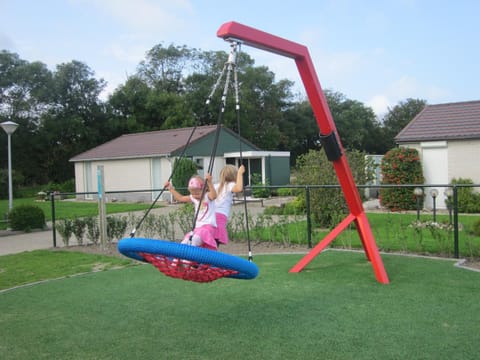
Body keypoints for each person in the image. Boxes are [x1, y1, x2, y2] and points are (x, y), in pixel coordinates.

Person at [164, 174, 218, 250]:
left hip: (208, 228)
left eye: (197, 193)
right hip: (198, 228)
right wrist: (170, 188)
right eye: (193, 193)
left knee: (194, 241)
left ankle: (188, 258)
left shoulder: (207, 197)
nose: (195, 196)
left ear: (205, 189)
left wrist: (209, 182)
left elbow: (214, 196)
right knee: (186, 240)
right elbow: (180, 198)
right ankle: (178, 258)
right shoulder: (193, 198)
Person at [214, 164, 245, 245]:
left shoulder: (215, 186)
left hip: (210, 216)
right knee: (213, 246)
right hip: (220, 218)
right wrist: (240, 173)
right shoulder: (230, 185)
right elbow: (239, 188)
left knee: (209, 243)